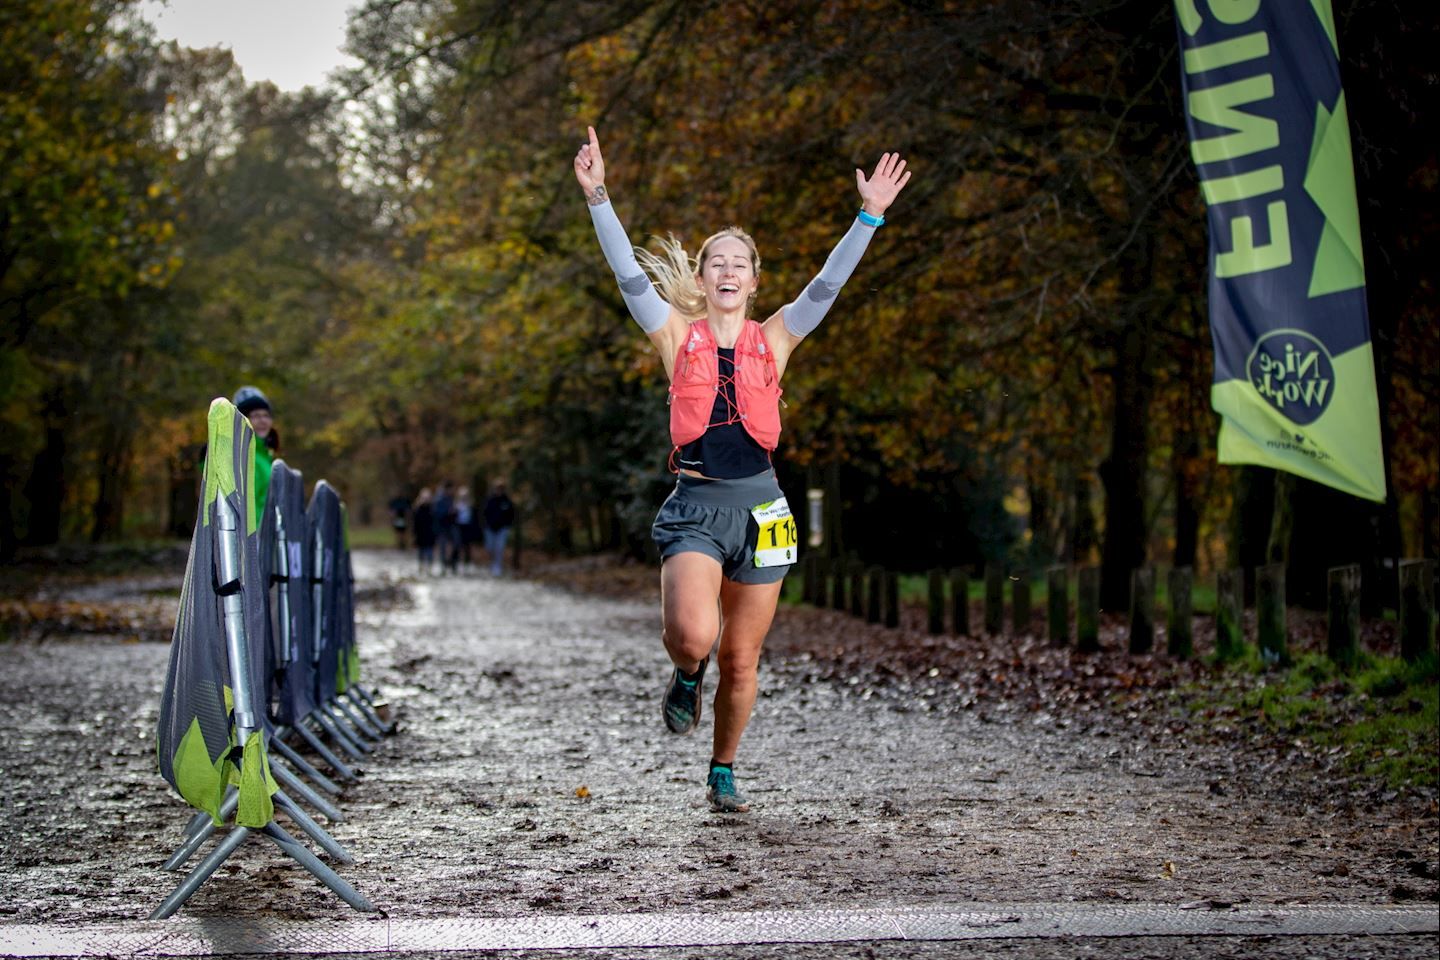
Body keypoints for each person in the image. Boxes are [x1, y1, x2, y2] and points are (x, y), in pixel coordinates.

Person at [573, 126, 910, 812]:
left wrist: (869, 215)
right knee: (695, 636)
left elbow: (830, 282)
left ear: (754, 281)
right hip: (697, 506)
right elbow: (627, 274)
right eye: (715, 262)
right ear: (702, 279)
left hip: (763, 512)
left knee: (743, 659)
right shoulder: (673, 335)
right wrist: (598, 196)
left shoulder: (778, 336)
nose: (727, 270)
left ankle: (722, 768)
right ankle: (684, 674)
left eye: (739, 262)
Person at [233, 386, 276, 530]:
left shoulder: (265, 456)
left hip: (266, 534)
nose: (263, 421)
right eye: (256, 416)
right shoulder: (241, 454)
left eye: (266, 415)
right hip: (250, 535)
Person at [482, 480, 515, 578]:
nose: (499, 490)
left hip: (502, 529)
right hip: (490, 528)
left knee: (499, 548)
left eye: (501, 488)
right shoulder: (489, 500)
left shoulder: (507, 501)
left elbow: (511, 514)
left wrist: (507, 525)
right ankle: (491, 563)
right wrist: (485, 525)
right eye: (497, 488)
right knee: (490, 547)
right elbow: (484, 513)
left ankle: (497, 566)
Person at [432, 481, 457, 574]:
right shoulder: (439, 499)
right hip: (442, 527)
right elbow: (437, 513)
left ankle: (451, 564)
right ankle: (443, 566)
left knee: (454, 545)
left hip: (451, 525)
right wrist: (448, 512)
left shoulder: (452, 498)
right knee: (443, 546)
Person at [412, 487, 436, 574]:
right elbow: (415, 524)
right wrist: (414, 534)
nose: (426, 500)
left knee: (430, 552)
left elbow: (435, 523)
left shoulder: (432, 509)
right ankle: (421, 567)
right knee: (421, 552)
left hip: (430, 534)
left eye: (428, 498)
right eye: (424, 498)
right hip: (420, 534)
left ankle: (429, 568)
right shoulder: (418, 510)